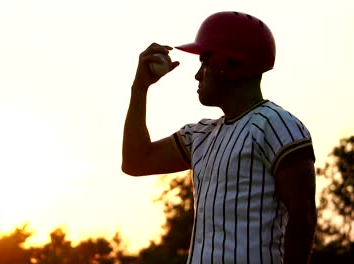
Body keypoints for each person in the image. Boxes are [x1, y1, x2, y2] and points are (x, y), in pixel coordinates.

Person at [121, 11, 317, 264]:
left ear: (228, 63)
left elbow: (303, 217)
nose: (198, 74)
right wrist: (139, 88)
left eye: (204, 61)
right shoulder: (201, 135)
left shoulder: (277, 124)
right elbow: (135, 162)